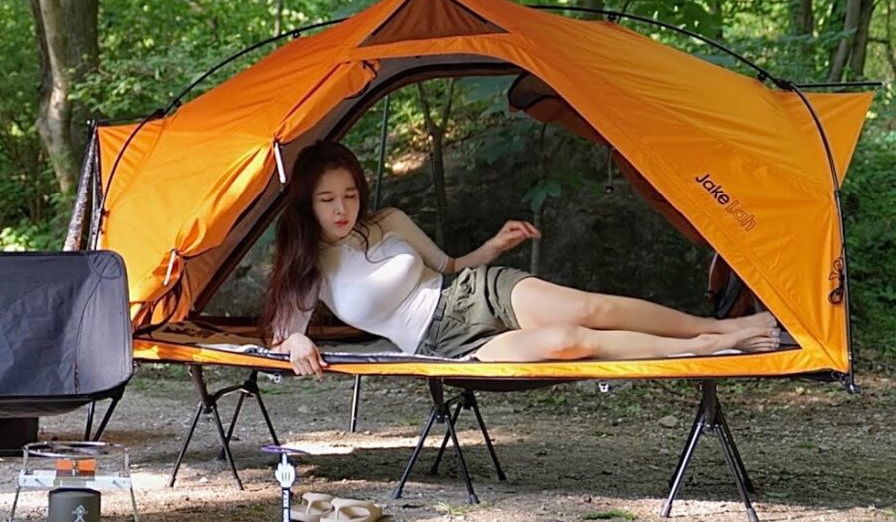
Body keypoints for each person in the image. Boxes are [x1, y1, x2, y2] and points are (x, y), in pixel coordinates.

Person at [261, 141, 780, 378]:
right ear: (308, 202)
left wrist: (494, 245)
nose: (342, 209)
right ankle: (706, 348)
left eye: (350, 195)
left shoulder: (388, 221)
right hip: (446, 343)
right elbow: (280, 338)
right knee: (571, 341)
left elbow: (450, 267)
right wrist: (298, 340)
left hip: (476, 291)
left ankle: (717, 329)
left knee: (592, 309)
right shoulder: (310, 269)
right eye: (328, 199)